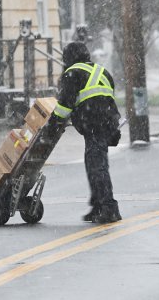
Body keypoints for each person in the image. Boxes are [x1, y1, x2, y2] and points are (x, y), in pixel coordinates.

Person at [44, 42, 122, 224]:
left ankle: (109, 208)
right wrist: (113, 129)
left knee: (97, 166)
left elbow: (64, 106)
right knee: (94, 163)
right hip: (105, 123)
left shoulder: (72, 74)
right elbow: (108, 101)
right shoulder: (103, 72)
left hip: (93, 123)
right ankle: (97, 206)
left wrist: (51, 127)